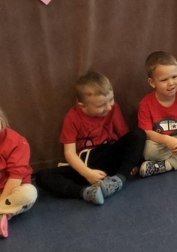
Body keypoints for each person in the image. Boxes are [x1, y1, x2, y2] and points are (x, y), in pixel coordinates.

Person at [36, 70, 146, 204]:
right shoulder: (72, 117)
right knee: (42, 176)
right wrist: (87, 173)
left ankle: (118, 180)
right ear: (83, 105)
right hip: (87, 164)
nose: (108, 107)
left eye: (111, 100)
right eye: (101, 105)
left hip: (110, 156)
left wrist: (130, 162)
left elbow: (125, 135)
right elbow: (69, 153)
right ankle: (86, 192)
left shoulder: (113, 108)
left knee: (139, 133)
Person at [0, 106, 37, 233]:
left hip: (12, 190)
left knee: (29, 193)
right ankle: (4, 213)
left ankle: (3, 211)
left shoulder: (17, 142)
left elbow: (15, 178)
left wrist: (2, 201)